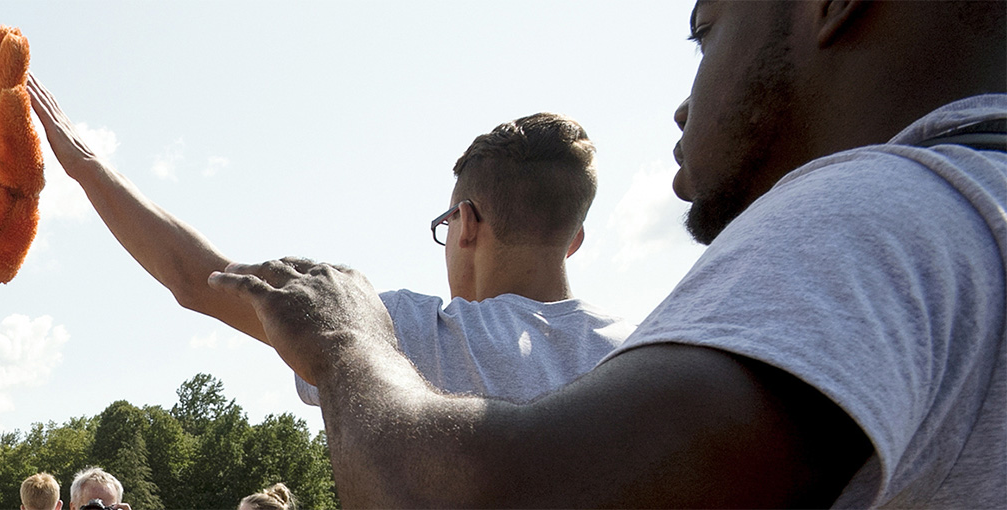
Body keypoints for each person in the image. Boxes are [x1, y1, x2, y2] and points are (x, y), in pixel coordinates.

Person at [208, 0, 1007, 506]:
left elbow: (474, 496)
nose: (683, 101)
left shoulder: (884, 212)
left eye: (705, 30)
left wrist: (348, 345)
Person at [29, 82, 631, 405]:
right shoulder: (642, 351)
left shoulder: (402, 332)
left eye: (446, 228)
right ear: (574, 239)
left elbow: (198, 279)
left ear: (466, 222)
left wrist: (85, 166)